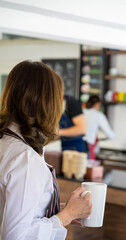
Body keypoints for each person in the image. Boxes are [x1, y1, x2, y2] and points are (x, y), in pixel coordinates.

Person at [0, 61, 92, 240]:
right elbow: (15, 236)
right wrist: (66, 216)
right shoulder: (25, 159)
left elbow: (11, 206)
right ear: (50, 105)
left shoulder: (6, 142)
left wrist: (62, 210)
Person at [83, 95, 115, 159]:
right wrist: (103, 138)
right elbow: (111, 135)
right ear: (98, 104)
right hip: (88, 148)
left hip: (76, 145)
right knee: (89, 168)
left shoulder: (82, 112)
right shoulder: (99, 115)